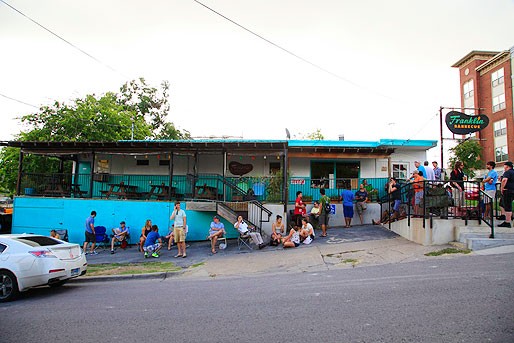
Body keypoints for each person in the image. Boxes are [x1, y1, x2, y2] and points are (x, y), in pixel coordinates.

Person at [498, 161, 514, 228]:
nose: (504, 168)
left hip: (508, 191)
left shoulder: (507, 172)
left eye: (504, 166)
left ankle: (507, 222)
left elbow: (504, 180)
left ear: (507, 166)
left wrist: (502, 188)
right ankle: (508, 217)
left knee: (508, 206)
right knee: (502, 203)